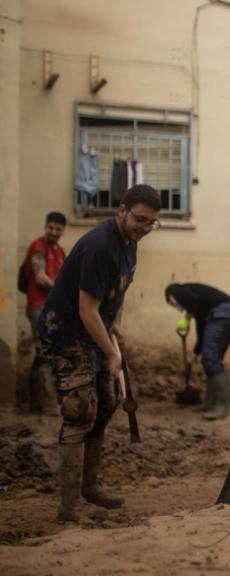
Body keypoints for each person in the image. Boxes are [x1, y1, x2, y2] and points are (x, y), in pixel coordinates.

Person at [36, 185, 161, 522]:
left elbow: (116, 292)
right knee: (79, 410)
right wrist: (112, 353)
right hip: (65, 332)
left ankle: (89, 487)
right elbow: (87, 309)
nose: (144, 228)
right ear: (122, 210)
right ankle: (68, 506)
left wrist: (116, 323)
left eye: (151, 223)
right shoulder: (99, 246)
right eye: (139, 219)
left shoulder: (130, 245)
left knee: (105, 404)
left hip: (93, 333)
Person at [164, 283, 230, 419]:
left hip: (223, 312)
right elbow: (202, 328)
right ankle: (212, 402)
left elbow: (198, 315)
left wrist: (187, 315)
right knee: (211, 359)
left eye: (171, 303)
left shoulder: (178, 291)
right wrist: (196, 352)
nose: (176, 307)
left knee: (210, 358)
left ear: (170, 296)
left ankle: (223, 405)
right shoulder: (199, 304)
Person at [20, 211, 67, 414]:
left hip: (54, 310)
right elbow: (40, 277)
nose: (54, 232)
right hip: (38, 307)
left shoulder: (60, 252)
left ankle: (37, 402)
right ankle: (46, 403)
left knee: (48, 353)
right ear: (45, 226)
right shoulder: (37, 247)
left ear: (63, 231)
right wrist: (59, 289)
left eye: (58, 229)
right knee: (45, 352)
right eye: (51, 227)